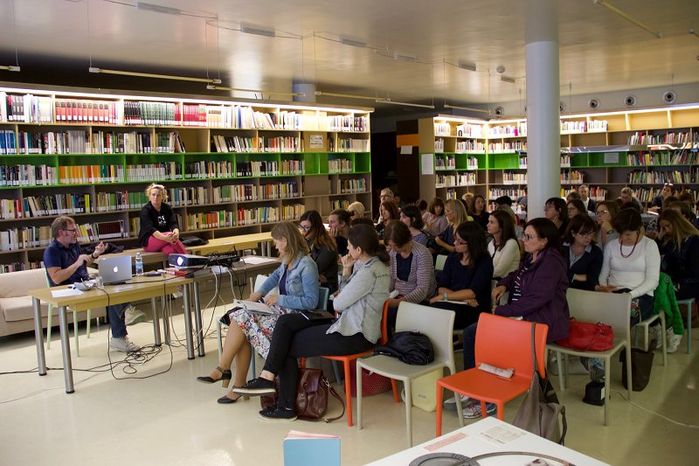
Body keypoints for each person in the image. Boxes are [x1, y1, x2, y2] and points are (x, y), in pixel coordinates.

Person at [233, 224, 389, 421]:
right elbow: (341, 297)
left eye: (349, 246)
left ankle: (283, 401)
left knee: (285, 343)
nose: (347, 250)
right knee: (286, 324)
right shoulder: (367, 265)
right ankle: (270, 383)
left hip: (354, 335)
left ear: (359, 249)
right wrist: (347, 271)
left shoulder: (369, 272)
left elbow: (339, 302)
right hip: (346, 326)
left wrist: (343, 289)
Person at [198, 221, 320, 403]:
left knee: (241, 320)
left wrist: (280, 299)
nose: (275, 245)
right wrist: (257, 294)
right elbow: (274, 277)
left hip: (293, 317)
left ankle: (226, 373)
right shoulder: (288, 260)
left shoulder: (307, 265)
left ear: (285, 241)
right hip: (280, 312)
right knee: (240, 318)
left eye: (276, 241)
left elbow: (312, 301)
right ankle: (232, 380)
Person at [462, 218, 570, 418]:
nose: (523, 240)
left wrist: (504, 312)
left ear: (544, 241)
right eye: (524, 235)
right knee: (473, 333)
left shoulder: (552, 262)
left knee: (483, 337)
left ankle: (488, 398)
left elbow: (537, 299)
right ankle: (476, 388)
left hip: (540, 320)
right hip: (522, 315)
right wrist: (504, 284)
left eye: (529, 237)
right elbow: (516, 275)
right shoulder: (532, 257)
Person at [44, 216, 139, 353]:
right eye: (73, 230)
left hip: (85, 284)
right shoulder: (51, 251)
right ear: (61, 232)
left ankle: (125, 316)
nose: (76, 233)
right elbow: (56, 278)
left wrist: (95, 254)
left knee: (116, 286)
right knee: (111, 297)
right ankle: (120, 332)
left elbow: (83, 263)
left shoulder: (74, 245)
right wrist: (77, 263)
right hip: (67, 289)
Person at [429, 222, 493, 330]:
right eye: (455, 239)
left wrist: (445, 297)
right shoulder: (452, 258)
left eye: (460, 242)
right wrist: (462, 299)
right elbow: (441, 288)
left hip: (475, 308)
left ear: (472, 244)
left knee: (436, 313)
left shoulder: (484, 261)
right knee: (432, 311)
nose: (455, 243)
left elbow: (472, 293)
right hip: (457, 303)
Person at [656, 209, 699, 351]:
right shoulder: (669, 241)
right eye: (662, 227)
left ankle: (670, 328)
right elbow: (656, 258)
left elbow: (694, 271)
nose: (665, 230)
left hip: (691, 282)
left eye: (667, 226)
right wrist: (659, 238)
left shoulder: (694, 241)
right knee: (657, 290)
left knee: (663, 292)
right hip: (671, 282)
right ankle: (670, 328)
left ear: (677, 224)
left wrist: (677, 282)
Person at [384, 220, 436, 333]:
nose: (392, 249)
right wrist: (383, 294)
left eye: (395, 246)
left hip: (418, 299)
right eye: (390, 246)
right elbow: (391, 279)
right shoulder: (393, 253)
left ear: (406, 240)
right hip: (397, 296)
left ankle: (392, 344)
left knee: (389, 314)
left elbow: (422, 290)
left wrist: (400, 301)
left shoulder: (422, 254)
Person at [138, 183, 187, 255]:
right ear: (149, 196)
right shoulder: (145, 211)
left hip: (166, 239)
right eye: (153, 195)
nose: (155, 197)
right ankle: (189, 259)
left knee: (170, 251)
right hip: (149, 242)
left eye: (158, 195)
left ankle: (176, 266)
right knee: (170, 235)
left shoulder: (167, 208)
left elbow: (173, 223)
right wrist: (167, 238)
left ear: (163, 197)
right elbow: (152, 230)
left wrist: (176, 233)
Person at [299, 210, 339, 294]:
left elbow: (313, 270)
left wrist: (309, 273)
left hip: (326, 289)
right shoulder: (306, 241)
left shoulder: (327, 246)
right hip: (312, 284)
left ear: (316, 227)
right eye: (301, 227)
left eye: (307, 227)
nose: (303, 231)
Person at [562, 215, 603, 291]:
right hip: (558, 290)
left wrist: (568, 275)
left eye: (591, 234)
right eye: (583, 234)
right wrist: (576, 276)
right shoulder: (561, 247)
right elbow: (554, 271)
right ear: (573, 233)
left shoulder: (595, 252)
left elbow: (592, 277)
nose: (588, 238)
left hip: (582, 292)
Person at [486, 210, 520, 280]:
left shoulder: (511, 243)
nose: (487, 225)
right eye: (488, 221)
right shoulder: (491, 243)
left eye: (492, 222)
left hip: (505, 286)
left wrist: (479, 273)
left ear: (502, 225)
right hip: (491, 283)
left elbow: (499, 271)